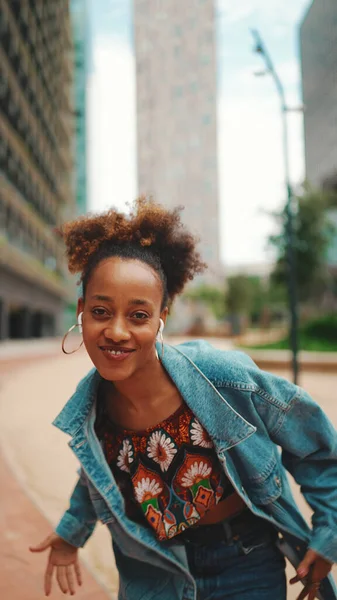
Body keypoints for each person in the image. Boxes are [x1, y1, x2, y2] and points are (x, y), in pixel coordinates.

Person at [30, 199, 337, 600]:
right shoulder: (91, 409)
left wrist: (327, 531)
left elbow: (316, 447)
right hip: (153, 571)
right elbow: (96, 474)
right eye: (101, 311)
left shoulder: (222, 378)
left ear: (161, 317)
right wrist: (71, 533)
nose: (117, 331)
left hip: (245, 562)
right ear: (81, 311)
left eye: (138, 316)